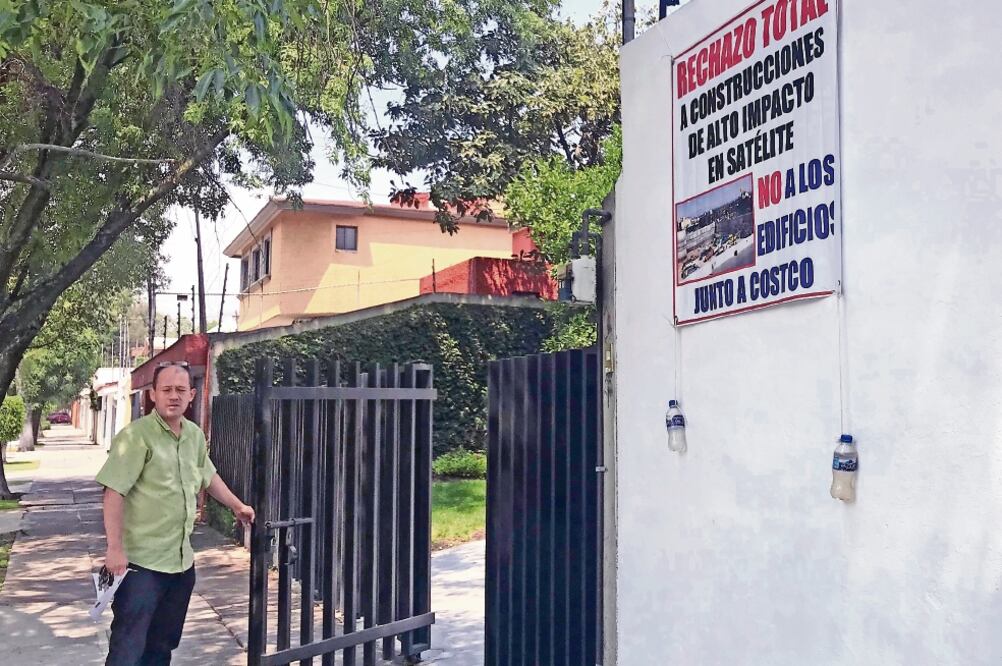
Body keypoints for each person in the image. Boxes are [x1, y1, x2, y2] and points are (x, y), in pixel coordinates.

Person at [96, 362, 255, 665]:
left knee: (162, 647)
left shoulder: (194, 435)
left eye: (180, 390)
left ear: (192, 394)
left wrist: (237, 506)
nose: (173, 396)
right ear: (153, 394)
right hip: (141, 567)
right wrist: (114, 549)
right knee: (127, 650)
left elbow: (208, 476)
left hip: (181, 566)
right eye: (166, 389)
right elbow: (113, 492)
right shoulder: (136, 437)